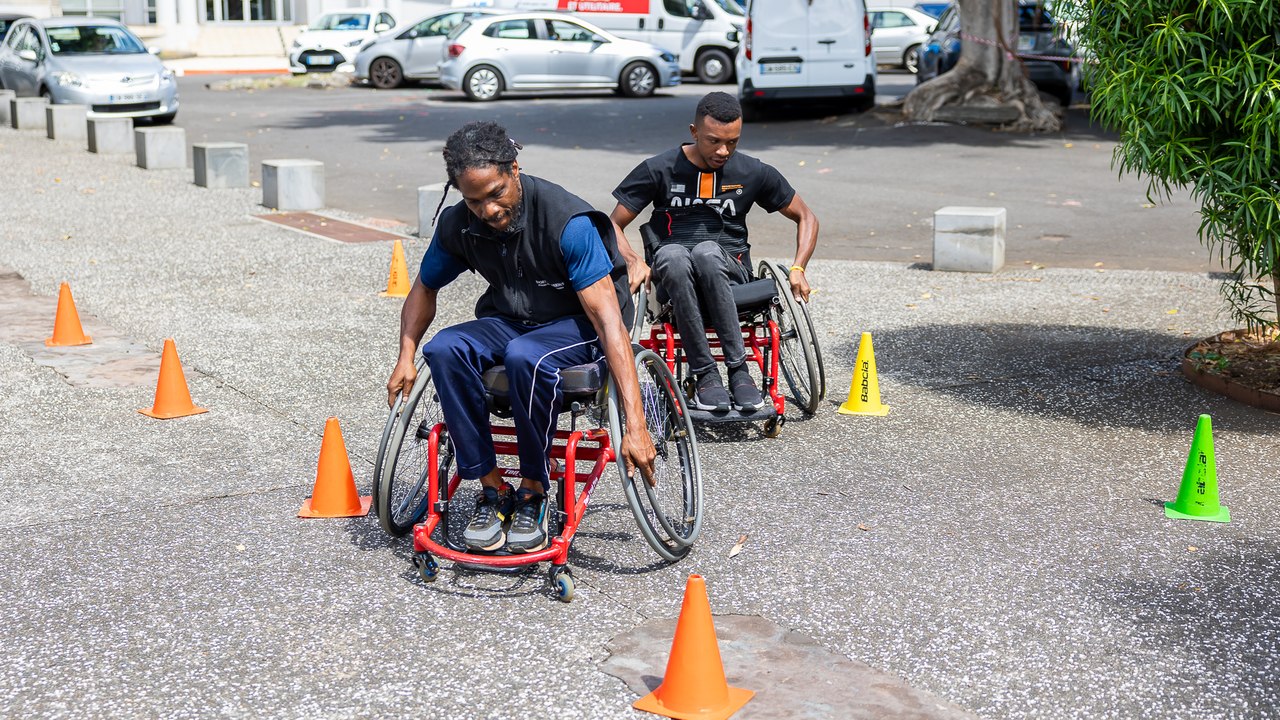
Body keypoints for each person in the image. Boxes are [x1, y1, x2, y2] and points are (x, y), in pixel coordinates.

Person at [386, 121, 656, 554]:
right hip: (512, 316)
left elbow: (609, 324)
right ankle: (493, 490)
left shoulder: (567, 221)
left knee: (524, 355)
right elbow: (424, 286)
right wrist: (406, 354)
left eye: (496, 194)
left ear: (514, 168)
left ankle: (533, 490)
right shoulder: (460, 224)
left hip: (577, 323)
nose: (488, 210)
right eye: (474, 201)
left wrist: (636, 425)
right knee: (444, 348)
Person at [609, 91, 819, 413]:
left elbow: (806, 216)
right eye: (713, 141)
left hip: (729, 268)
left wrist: (798, 267)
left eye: (732, 142)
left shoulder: (752, 172)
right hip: (673, 273)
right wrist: (635, 261)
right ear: (694, 132)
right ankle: (706, 374)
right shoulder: (659, 169)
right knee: (675, 255)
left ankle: (739, 370)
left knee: (707, 251)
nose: (723, 151)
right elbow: (613, 225)